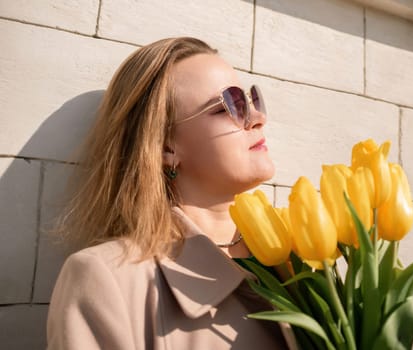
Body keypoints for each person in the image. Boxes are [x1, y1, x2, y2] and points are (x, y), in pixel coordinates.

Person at [47, 37, 296, 349]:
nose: (257, 118)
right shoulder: (107, 280)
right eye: (228, 106)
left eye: (250, 100)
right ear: (166, 146)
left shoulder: (299, 257)